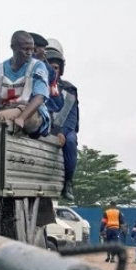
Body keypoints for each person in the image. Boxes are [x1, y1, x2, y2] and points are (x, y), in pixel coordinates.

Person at [0, 31, 51, 138]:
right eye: (25, 49)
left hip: (31, 112)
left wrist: (22, 118)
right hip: (7, 109)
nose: (29, 53)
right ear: (13, 47)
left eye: (32, 49)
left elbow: (39, 97)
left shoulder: (38, 66)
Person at [44, 40, 79, 201]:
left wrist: (63, 133)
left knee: (71, 140)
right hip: (43, 127)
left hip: (62, 132)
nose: (53, 70)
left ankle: (68, 183)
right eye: (49, 66)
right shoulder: (36, 85)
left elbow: (72, 118)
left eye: (56, 68)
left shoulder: (69, 90)